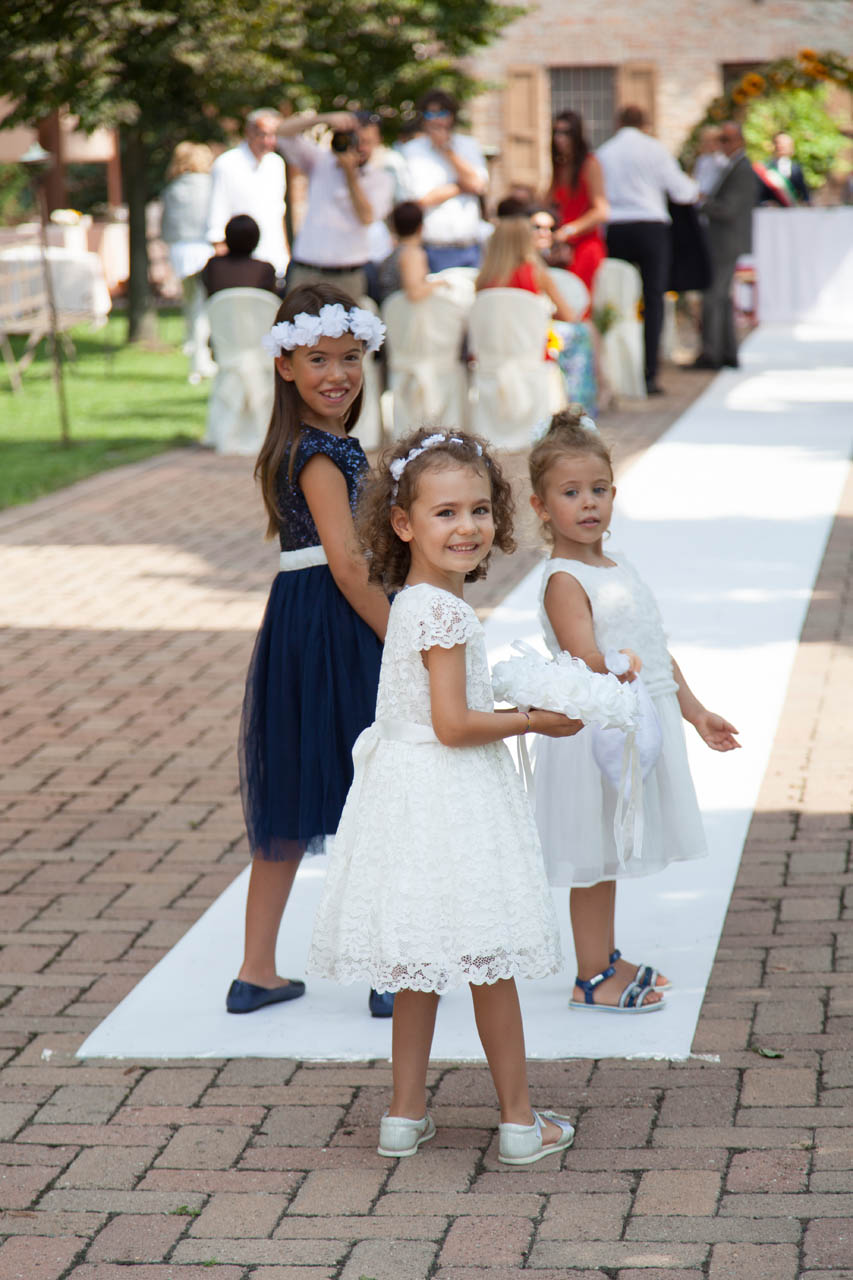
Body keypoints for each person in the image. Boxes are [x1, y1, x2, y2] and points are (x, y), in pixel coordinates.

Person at [307, 427, 580, 1164]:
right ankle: (519, 1122)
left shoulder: (412, 601)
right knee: (488, 956)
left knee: (416, 959)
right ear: (403, 523)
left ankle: (403, 1116)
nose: (468, 527)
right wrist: (535, 720)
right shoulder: (446, 613)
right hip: (451, 795)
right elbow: (454, 725)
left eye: (479, 510)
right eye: (446, 513)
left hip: (405, 795)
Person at [528, 409, 740, 1011]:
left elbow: (653, 648)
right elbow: (585, 658)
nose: (588, 503)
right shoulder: (565, 578)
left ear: (614, 495)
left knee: (611, 851)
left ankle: (607, 955)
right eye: (571, 493)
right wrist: (614, 662)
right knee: (594, 857)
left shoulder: (616, 567)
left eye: (598, 489)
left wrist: (695, 713)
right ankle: (591, 977)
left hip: (637, 723)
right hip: (600, 733)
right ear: (542, 507)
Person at [229, 283, 393, 1019]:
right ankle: (388, 967)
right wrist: (403, 635)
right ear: (285, 366)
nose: (337, 374)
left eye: (350, 357)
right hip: (337, 622)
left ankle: (255, 971)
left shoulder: (302, 445)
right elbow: (350, 565)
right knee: (377, 787)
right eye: (318, 359)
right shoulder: (320, 453)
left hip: (302, 620)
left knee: (293, 798)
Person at [597, 105, 698, 395]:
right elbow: (683, 191)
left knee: (616, 297)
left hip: (616, 227)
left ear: (618, 122)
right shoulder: (655, 150)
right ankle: (648, 374)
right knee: (653, 299)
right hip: (651, 228)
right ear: (646, 124)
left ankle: (617, 371)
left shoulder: (605, 152)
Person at [476, 216, 596, 411]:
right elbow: (568, 316)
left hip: (491, 360)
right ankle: (578, 406)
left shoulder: (483, 280)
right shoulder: (536, 274)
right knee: (580, 335)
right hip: (531, 357)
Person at [277, 109, 394, 302]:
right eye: (356, 140)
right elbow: (283, 133)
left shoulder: (381, 179)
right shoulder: (320, 161)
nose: (360, 148)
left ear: (378, 142)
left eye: (367, 142)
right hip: (306, 272)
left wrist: (350, 175)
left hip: (348, 276)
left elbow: (367, 217)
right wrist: (324, 118)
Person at [401, 90, 489, 273]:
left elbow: (479, 185)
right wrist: (462, 186)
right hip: (434, 246)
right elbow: (421, 199)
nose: (437, 120)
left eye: (442, 113)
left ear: (452, 116)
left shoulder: (468, 145)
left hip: (470, 246)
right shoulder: (412, 150)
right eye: (430, 114)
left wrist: (447, 151)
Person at [695, 121, 758, 371]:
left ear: (739, 141)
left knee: (714, 296)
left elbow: (729, 209)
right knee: (721, 297)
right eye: (721, 139)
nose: (722, 144)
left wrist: (703, 202)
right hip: (723, 240)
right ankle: (726, 352)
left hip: (725, 241)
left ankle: (713, 353)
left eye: (726, 139)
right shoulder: (730, 166)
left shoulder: (742, 169)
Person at [206, 109, 289, 280]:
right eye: (263, 134)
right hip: (239, 261)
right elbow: (217, 215)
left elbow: (278, 212)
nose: (269, 141)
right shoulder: (227, 164)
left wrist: (285, 253)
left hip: (275, 258)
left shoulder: (276, 163)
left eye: (274, 135)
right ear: (248, 133)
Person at [160, 142, 216, 383]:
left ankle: (196, 356)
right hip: (204, 249)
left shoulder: (173, 188)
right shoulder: (211, 185)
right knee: (203, 308)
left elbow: (166, 228)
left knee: (192, 305)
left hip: (180, 252)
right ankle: (201, 361)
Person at [547, 111, 609, 300]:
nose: (560, 139)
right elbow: (548, 202)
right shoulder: (560, 167)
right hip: (563, 249)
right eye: (556, 132)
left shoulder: (590, 164)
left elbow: (602, 211)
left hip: (585, 246)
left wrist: (568, 231)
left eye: (566, 133)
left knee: (578, 302)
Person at [375, 201, 440, 303]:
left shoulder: (393, 252)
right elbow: (415, 293)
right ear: (421, 227)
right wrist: (440, 284)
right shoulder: (411, 254)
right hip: (400, 310)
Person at [200, 215, 278, 297]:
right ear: (256, 239)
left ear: (227, 237)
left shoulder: (213, 266)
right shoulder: (265, 269)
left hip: (221, 306)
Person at [767, 132, 810, 204]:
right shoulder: (768, 168)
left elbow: (804, 193)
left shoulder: (797, 168)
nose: (781, 147)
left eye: (785, 145)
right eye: (779, 144)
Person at [693, 126, 727, 197]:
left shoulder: (722, 159)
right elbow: (697, 178)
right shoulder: (702, 159)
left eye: (712, 141)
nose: (708, 144)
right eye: (705, 141)